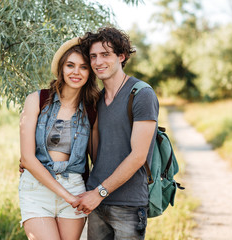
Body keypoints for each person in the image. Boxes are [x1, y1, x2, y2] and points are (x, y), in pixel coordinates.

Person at [72, 27, 159, 240]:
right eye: (93, 56)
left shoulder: (141, 94)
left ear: (121, 56)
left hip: (128, 204)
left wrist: (99, 193)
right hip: (96, 203)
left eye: (105, 54)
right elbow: (92, 150)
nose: (98, 62)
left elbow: (138, 156)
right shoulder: (97, 99)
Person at [18, 37, 100, 240]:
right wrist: (67, 196)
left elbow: (96, 157)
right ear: (61, 68)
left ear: (90, 73)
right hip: (37, 188)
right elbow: (27, 158)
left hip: (74, 186)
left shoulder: (93, 109)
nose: (76, 72)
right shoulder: (36, 100)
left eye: (83, 67)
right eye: (70, 65)